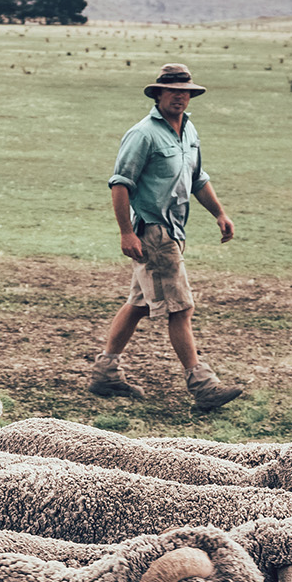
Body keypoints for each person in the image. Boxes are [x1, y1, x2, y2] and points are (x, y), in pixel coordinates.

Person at [86, 63, 245, 412]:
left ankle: (105, 372)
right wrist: (126, 233)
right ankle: (203, 384)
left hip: (175, 230)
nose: (180, 96)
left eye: (186, 91)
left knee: (139, 304)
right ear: (158, 94)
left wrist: (219, 213)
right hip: (153, 232)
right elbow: (120, 184)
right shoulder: (143, 134)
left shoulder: (188, 131)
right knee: (182, 308)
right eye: (173, 90)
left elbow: (198, 178)